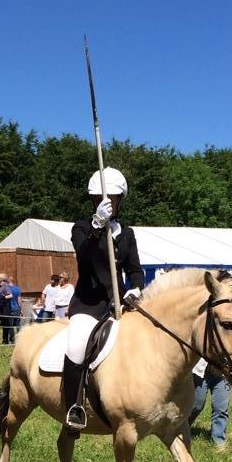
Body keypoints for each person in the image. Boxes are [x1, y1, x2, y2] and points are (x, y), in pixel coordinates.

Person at [64, 167, 144, 431]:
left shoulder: (128, 233)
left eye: (111, 199)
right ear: (93, 200)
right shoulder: (81, 228)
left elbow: (134, 269)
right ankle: (73, 407)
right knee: (76, 348)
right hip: (87, 304)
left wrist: (135, 287)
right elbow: (83, 257)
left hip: (119, 305)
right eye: (100, 199)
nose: (106, 204)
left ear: (120, 200)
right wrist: (97, 226)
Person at [188, 358, 232, 451]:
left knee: (221, 409)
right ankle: (182, 430)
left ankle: (218, 442)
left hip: (223, 372)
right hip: (201, 372)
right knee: (196, 406)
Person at [0, 273, 14, 344]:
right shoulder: (0, 286)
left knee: (6, 324)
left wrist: (4, 297)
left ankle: (7, 340)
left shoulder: (5, 285)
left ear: (1, 279)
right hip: (2, 307)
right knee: (5, 324)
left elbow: (11, 295)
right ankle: (5, 340)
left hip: (5, 307)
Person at [7, 275, 22, 340]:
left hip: (10, 310)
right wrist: (20, 309)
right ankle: (19, 338)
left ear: (8, 280)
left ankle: (12, 339)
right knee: (18, 325)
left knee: (11, 325)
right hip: (17, 309)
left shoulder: (7, 289)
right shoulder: (17, 289)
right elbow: (19, 300)